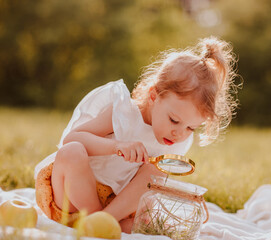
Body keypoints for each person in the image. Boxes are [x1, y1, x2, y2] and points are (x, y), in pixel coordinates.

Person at [34, 36, 239, 233]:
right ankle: (98, 220)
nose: (179, 133)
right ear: (153, 96)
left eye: (191, 128)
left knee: (156, 173)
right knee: (72, 152)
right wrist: (116, 147)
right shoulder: (124, 113)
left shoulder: (176, 142)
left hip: (116, 206)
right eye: (174, 120)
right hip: (71, 199)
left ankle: (105, 220)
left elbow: (146, 187)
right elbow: (72, 138)